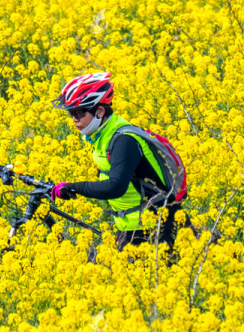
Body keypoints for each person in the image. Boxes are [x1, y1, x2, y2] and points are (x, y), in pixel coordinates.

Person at [48, 71, 200, 263]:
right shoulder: (101, 136)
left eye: (79, 112)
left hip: (156, 229)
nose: (74, 119)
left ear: (100, 112)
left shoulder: (124, 140)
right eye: (71, 113)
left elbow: (116, 186)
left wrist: (73, 187)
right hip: (133, 228)